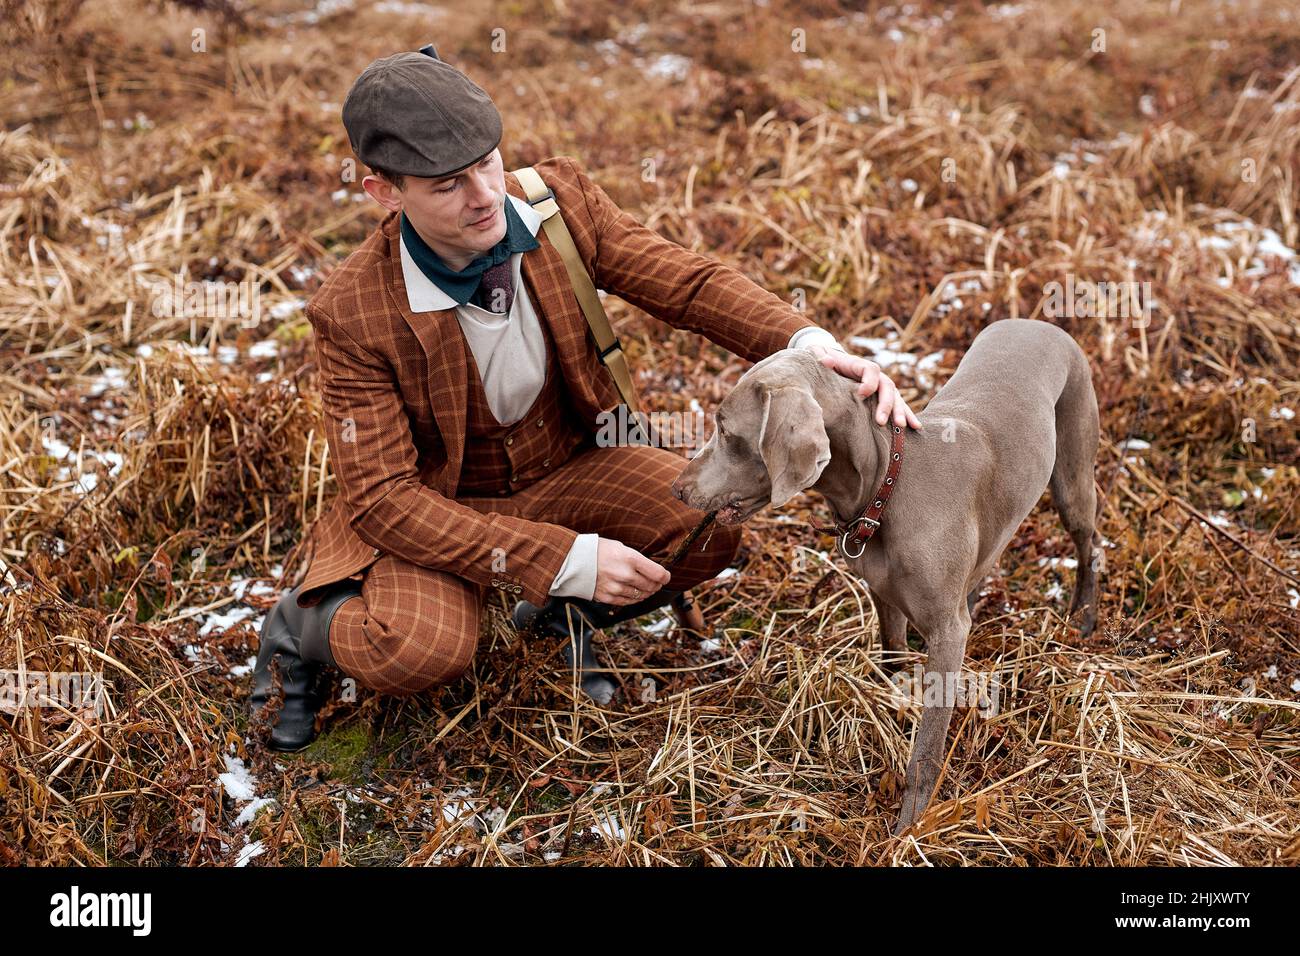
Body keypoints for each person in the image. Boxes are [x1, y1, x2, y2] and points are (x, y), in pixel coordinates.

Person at [249, 46, 920, 750]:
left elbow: (687, 284)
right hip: (434, 510)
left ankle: (559, 619)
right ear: (385, 193)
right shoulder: (351, 312)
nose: (482, 194)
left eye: (487, 162)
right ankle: (299, 630)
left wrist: (808, 346)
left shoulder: (556, 206)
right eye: (447, 184)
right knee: (423, 650)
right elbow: (386, 499)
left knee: (706, 522)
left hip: (565, 467)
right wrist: (563, 558)